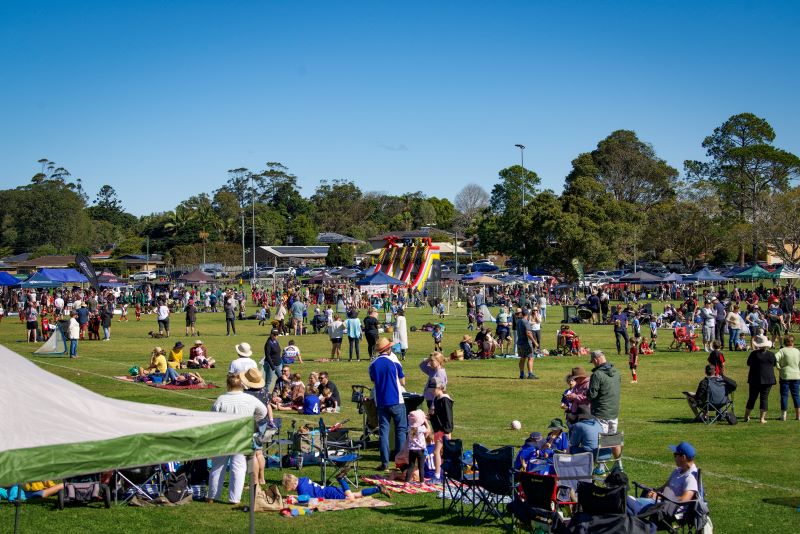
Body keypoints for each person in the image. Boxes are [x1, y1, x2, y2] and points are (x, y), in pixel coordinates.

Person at [208, 373, 268, 505]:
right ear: (241, 385)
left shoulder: (221, 399)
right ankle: (234, 498)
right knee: (238, 468)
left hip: (223, 436)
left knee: (218, 467)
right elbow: (263, 412)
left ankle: (212, 496)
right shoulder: (249, 399)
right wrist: (253, 421)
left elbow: (212, 416)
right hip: (242, 436)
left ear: (228, 385)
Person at [626, 442, 700, 516]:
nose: (674, 458)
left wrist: (661, 498)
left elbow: (684, 500)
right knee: (625, 503)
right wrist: (654, 492)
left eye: (675, 455)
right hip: (659, 501)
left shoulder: (691, 478)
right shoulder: (678, 471)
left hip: (666, 507)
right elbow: (664, 487)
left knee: (626, 502)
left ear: (683, 457)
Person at [369, 336, 407, 471]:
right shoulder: (394, 362)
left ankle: (385, 463)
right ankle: (401, 462)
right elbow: (402, 382)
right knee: (401, 431)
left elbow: (374, 380)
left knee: (384, 432)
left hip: (381, 401)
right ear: (389, 348)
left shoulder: (373, 364)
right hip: (396, 400)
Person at [282, 472, 391, 501]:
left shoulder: (301, 489)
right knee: (356, 495)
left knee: (351, 498)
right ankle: (378, 488)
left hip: (329, 494)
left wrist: (296, 498)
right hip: (329, 489)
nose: (293, 490)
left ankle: (341, 479)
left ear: (293, 484)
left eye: (291, 488)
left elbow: (306, 499)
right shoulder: (303, 479)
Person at [744, 334, 777, 423]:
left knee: (752, 398)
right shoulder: (771, 354)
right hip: (768, 379)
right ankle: (762, 418)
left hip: (754, 378)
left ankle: (746, 416)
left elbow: (748, 363)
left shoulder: (754, 354)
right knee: (764, 398)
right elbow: (774, 364)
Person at [588, 350, 621, 435]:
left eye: (593, 362)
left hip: (600, 413)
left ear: (595, 360)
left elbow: (592, 395)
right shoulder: (617, 372)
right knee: (612, 441)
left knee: (600, 442)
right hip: (614, 412)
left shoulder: (597, 374)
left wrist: (585, 392)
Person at [429, 377, 453, 482]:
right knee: (440, 453)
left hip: (443, 431)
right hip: (438, 430)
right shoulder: (436, 399)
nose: (431, 390)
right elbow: (437, 415)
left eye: (433, 388)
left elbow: (448, 417)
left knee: (436, 452)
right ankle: (443, 474)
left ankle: (438, 475)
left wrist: (446, 432)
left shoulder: (445, 399)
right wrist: (431, 417)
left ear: (440, 387)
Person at [775, 334, 800, 421]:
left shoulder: (782, 350)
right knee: (796, 396)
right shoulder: (797, 351)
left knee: (784, 396)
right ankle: (798, 416)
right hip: (796, 375)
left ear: (785, 342)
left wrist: (778, 366)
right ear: (793, 342)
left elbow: (775, 358)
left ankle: (783, 416)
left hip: (785, 375)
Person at [404, 409, 430, 484]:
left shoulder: (409, 428)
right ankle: (422, 482)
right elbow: (428, 430)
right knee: (421, 467)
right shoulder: (421, 428)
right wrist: (425, 421)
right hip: (420, 450)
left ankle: (406, 482)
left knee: (410, 466)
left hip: (411, 450)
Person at [516, 308, 539, 380]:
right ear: (527, 314)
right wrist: (535, 342)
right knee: (530, 358)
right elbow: (528, 333)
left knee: (522, 358)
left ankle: (522, 374)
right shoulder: (526, 322)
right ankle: (530, 374)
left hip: (519, 342)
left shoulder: (518, 321)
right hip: (526, 343)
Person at [262, 329, 282, 393]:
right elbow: (267, 355)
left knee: (281, 378)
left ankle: (277, 391)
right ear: (271, 334)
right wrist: (272, 366)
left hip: (278, 364)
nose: (276, 336)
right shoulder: (268, 343)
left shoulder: (276, 342)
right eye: (274, 335)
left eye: (277, 335)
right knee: (269, 381)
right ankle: (265, 394)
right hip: (271, 365)